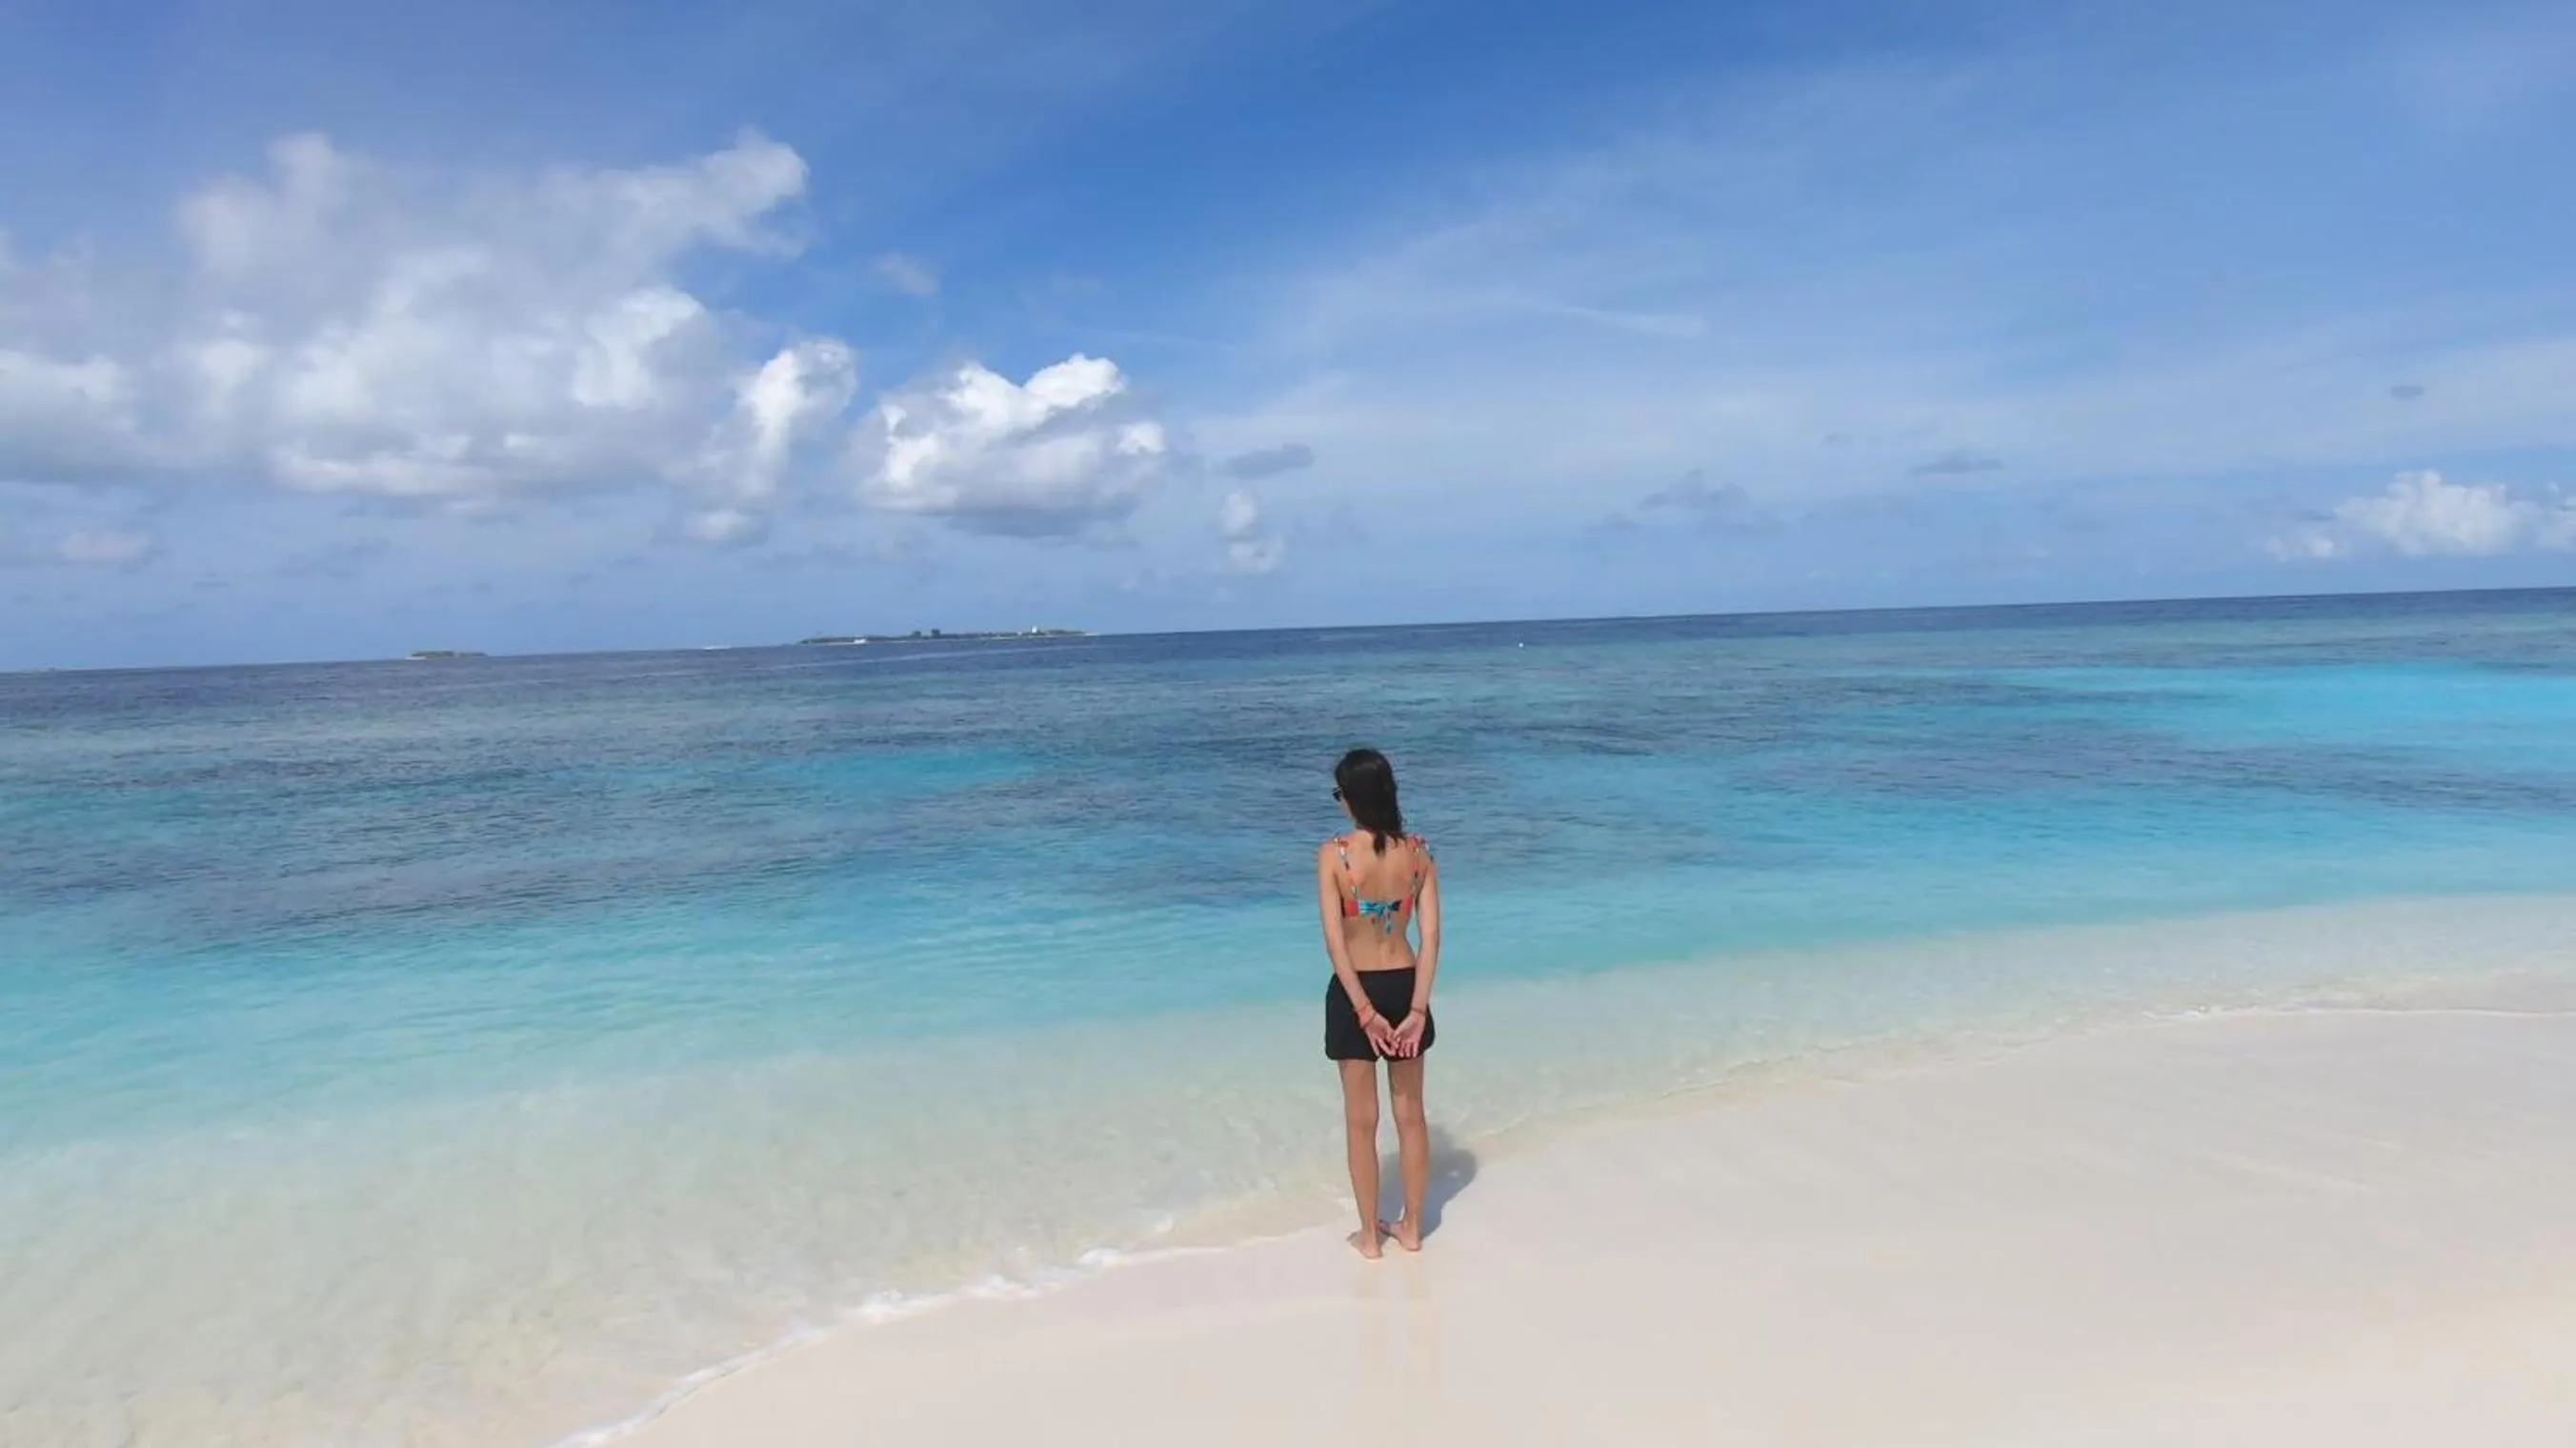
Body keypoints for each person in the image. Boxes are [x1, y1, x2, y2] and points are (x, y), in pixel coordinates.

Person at [1318, 747, 1441, 1258]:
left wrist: (1363, 1011)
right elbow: (1431, 937)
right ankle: (1411, 1228)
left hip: (1357, 993)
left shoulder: (1336, 856)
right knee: (1410, 1116)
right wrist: (1415, 1010)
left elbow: (1335, 942)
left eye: (1339, 793)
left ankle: (1370, 1237)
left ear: (1350, 799)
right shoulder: (1418, 853)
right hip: (1405, 985)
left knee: (1360, 1121)